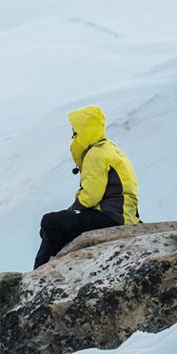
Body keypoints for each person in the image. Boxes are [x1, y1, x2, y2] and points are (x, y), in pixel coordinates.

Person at [34, 104, 140, 267]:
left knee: (50, 222)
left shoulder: (96, 154)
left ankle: (40, 270)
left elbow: (90, 197)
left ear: (84, 131)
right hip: (125, 215)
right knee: (61, 223)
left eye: (75, 132)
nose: (73, 137)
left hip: (110, 217)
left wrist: (71, 210)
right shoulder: (111, 149)